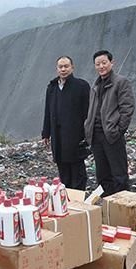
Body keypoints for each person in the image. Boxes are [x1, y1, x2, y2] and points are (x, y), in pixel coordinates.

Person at [84, 50, 135, 196]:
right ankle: (108, 205)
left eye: (104, 63)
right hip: (96, 135)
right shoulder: (95, 85)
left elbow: (127, 108)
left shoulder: (120, 82)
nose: (101, 66)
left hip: (112, 134)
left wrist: (118, 130)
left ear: (112, 63)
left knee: (119, 173)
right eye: (98, 64)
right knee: (102, 173)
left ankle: (124, 205)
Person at [41, 56, 90, 190]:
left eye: (66, 66)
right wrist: (46, 132)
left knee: (77, 170)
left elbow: (88, 112)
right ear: (56, 69)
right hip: (58, 136)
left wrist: (87, 134)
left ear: (72, 67)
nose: (63, 69)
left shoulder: (81, 86)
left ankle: (78, 200)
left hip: (75, 135)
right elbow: (48, 111)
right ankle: (66, 198)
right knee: (63, 169)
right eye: (60, 67)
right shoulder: (52, 87)